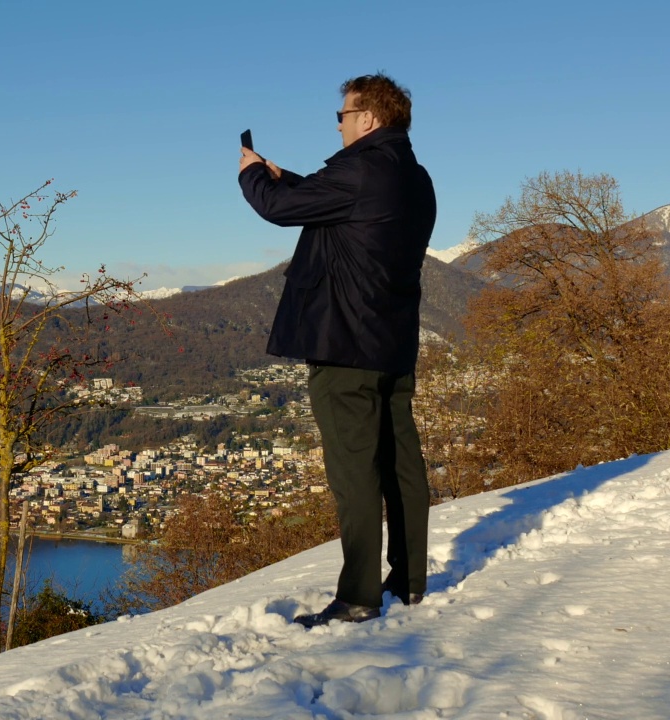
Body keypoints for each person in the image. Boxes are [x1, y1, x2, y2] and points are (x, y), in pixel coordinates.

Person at [238, 73, 436, 627]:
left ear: (369, 118)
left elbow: (280, 210)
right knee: (400, 462)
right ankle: (410, 579)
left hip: (345, 347)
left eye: (343, 115)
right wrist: (291, 178)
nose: (339, 123)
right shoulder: (415, 178)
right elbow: (348, 207)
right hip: (392, 344)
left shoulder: (359, 170)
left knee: (355, 473)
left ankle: (357, 597)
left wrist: (253, 174)